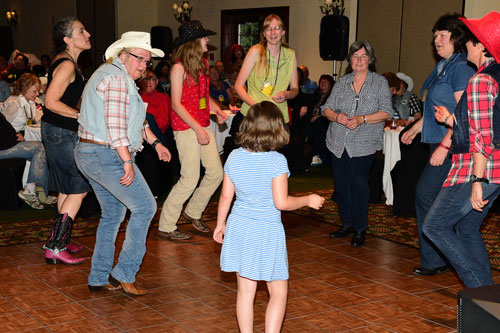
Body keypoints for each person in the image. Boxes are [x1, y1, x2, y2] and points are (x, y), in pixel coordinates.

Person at [214, 101, 324, 333]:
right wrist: (307, 200)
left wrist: (220, 224)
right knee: (278, 291)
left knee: (245, 291)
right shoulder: (276, 161)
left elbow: (225, 197)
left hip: (239, 226)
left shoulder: (234, 157)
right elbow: (281, 202)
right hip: (265, 230)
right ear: (277, 129)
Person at [75, 31, 170, 295]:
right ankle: (124, 273)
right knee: (145, 207)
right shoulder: (117, 79)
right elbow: (115, 127)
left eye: (146, 61)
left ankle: (99, 277)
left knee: (114, 214)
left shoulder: (115, 76)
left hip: (91, 153)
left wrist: (155, 143)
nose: (143, 65)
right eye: (139, 58)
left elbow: (135, 122)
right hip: (106, 154)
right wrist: (127, 161)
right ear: (123, 55)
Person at [423, 11, 500, 288]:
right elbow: (487, 123)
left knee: (434, 226)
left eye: (470, 40)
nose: (465, 43)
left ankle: (481, 295)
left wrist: (478, 181)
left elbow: (481, 136)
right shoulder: (494, 75)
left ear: (482, 46)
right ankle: (487, 295)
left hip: (479, 168)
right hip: (496, 167)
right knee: (467, 229)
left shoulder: (481, 81)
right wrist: (452, 120)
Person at [401, 14, 475, 276]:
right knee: (434, 200)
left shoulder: (461, 68)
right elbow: (435, 109)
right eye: (435, 36)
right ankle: (440, 257)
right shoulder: (443, 66)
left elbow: (464, 113)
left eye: (442, 35)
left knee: (425, 195)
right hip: (438, 143)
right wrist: (416, 128)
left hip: (453, 148)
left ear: (456, 38)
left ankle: (439, 258)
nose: (437, 40)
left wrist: (445, 145)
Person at [158, 20, 227, 240]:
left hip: (202, 123)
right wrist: (198, 129)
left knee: (216, 173)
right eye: (204, 38)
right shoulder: (178, 67)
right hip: (186, 127)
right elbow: (176, 104)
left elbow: (204, 96)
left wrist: (217, 110)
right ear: (195, 42)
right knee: (190, 178)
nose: (207, 41)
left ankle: (193, 212)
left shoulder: (203, 65)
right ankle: (166, 225)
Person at [323, 40, 393, 247]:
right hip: (338, 143)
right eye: (355, 56)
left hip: (364, 144)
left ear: (370, 59)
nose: (359, 60)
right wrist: (336, 117)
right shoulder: (342, 82)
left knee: (359, 185)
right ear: (350, 60)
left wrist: (362, 118)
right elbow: (326, 108)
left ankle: (360, 228)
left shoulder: (379, 82)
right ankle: (347, 224)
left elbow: (387, 112)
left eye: (363, 56)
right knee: (342, 185)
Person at [41, 17, 92, 265]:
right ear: (67, 39)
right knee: (79, 187)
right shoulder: (67, 65)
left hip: (56, 130)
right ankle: (55, 245)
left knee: (66, 187)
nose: (87, 33)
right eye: (81, 31)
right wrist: (82, 116)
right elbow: (50, 102)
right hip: (61, 131)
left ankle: (59, 239)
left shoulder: (69, 62)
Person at [234, 14, 298, 131]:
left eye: (276, 28)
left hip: (279, 118)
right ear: (264, 33)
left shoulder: (290, 55)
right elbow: (238, 86)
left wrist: (286, 94)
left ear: (283, 32)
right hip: (255, 116)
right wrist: (256, 108)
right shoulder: (255, 51)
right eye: (268, 29)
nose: (272, 32)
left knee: (278, 149)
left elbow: (295, 89)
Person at [0, 112, 49, 209]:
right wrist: (15, 138)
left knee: (40, 150)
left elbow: (4, 129)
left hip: (6, 143)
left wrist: (15, 135)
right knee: (39, 148)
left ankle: (39, 192)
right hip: (3, 147)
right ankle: (33, 191)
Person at [307, 74, 334, 167]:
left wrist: (318, 116)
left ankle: (315, 154)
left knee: (320, 123)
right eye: (321, 82)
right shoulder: (315, 95)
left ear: (330, 85)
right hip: (310, 120)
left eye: (325, 82)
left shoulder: (333, 97)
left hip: (325, 121)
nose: (323, 84)